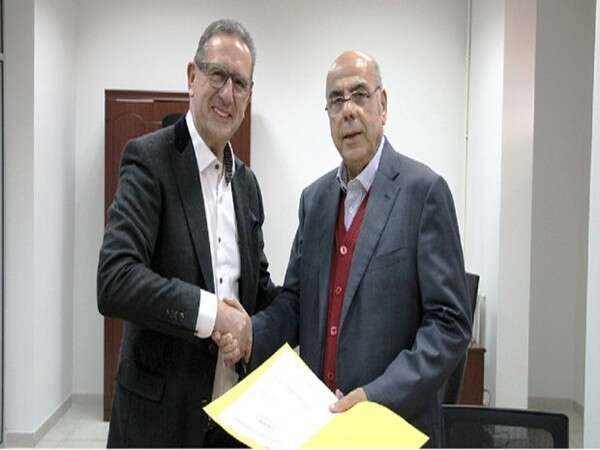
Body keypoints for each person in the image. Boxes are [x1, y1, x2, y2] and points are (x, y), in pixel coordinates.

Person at [217, 51, 471, 447]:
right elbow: (296, 302)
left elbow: (449, 324)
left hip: (393, 431)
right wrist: (251, 331)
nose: (348, 110)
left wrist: (377, 395)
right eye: (336, 100)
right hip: (322, 428)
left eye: (360, 95)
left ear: (382, 105)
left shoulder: (424, 193)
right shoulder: (315, 200)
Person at [97, 19, 278, 448]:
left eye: (240, 83)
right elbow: (116, 279)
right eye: (217, 75)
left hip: (233, 422)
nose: (227, 94)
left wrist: (260, 327)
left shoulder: (247, 184)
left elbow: (259, 289)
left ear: (249, 95)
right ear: (192, 77)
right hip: (158, 425)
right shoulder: (149, 160)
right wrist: (214, 314)